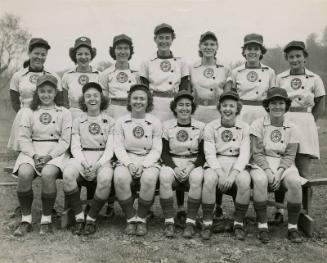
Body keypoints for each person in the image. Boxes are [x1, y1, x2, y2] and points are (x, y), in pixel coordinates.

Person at [139, 23, 190, 224]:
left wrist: (180, 108)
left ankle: (180, 208)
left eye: (167, 37)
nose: (164, 41)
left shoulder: (181, 61)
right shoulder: (147, 62)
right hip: (154, 108)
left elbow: (185, 89)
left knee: (177, 149)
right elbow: (142, 91)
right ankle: (149, 205)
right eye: (160, 37)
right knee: (153, 153)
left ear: (172, 39)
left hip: (174, 106)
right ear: (155, 39)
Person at [12, 74, 71, 236]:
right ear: (37, 92)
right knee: (24, 174)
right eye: (42, 91)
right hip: (32, 149)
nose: (46, 95)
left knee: (47, 174)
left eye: (50, 91)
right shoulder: (28, 111)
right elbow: (23, 138)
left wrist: (49, 157)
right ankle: (26, 220)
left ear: (55, 93)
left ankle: (46, 219)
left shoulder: (63, 112)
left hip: (55, 151)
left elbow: (65, 141)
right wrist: (34, 155)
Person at [274, 41, 326, 223]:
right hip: (285, 120)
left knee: (303, 170)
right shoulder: (280, 78)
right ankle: (279, 211)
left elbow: (320, 102)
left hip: (305, 122)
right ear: (286, 59)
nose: (295, 59)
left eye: (298, 56)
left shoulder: (314, 78)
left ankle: (304, 214)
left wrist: (311, 121)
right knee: (281, 166)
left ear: (305, 57)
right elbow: (275, 100)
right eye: (291, 57)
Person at [250, 87, 306, 243]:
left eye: (281, 103)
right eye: (273, 103)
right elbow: (257, 153)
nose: (277, 107)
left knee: (295, 182)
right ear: (267, 105)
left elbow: (290, 155)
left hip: (284, 164)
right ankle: (262, 226)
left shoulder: (293, 127)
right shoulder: (257, 124)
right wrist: (268, 171)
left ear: (286, 106)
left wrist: (279, 172)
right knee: (260, 181)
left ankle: (292, 227)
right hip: (262, 163)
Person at [62, 82, 115, 235]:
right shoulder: (78, 121)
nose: (92, 99)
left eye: (96, 95)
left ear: (101, 98)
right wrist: (85, 163)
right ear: (83, 100)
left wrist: (97, 165)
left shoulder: (110, 121)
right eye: (88, 96)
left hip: (102, 159)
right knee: (68, 174)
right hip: (82, 158)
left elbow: (110, 149)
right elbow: (75, 147)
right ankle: (79, 217)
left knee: (105, 179)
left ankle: (91, 218)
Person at [190, 31, 232, 220]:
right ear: (200, 47)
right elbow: (187, 93)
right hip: (198, 112)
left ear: (217, 47)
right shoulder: (193, 68)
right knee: (197, 155)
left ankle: (218, 205)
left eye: (212, 44)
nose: (208, 47)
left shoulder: (225, 68)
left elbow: (229, 96)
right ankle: (190, 206)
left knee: (217, 156)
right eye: (205, 44)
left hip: (217, 114)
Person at [201, 89, 251, 240]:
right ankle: (207, 222)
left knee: (244, 181)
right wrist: (221, 174)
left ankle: (238, 223)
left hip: (237, 161)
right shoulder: (210, 126)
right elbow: (209, 153)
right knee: (209, 180)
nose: (228, 109)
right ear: (219, 108)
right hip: (217, 161)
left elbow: (244, 154)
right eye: (224, 106)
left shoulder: (244, 127)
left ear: (237, 109)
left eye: (231, 106)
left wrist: (232, 175)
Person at [114, 84, 162, 236]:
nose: (138, 102)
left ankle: (141, 218)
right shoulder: (121, 121)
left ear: (148, 102)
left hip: (148, 158)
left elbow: (156, 149)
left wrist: (145, 164)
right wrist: (128, 163)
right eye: (135, 98)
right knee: (120, 177)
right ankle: (130, 218)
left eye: (142, 98)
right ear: (129, 101)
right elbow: (118, 147)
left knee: (148, 179)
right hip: (127, 157)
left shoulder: (154, 121)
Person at [159, 90, 205, 238]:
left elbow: (203, 154)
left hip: (193, 162)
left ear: (192, 108)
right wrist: (174, 167)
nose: (184, 108)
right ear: (174, 108)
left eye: (188, 105)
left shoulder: (201, 126)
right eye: (180, 105)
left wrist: (191, 166)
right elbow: (164, 152)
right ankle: (169, 222)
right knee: (165, 177)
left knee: (197, 179)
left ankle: (190, 222)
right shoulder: (167, 126)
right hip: (173, 161)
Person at [8, 38, 62, 151]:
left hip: (47, 116)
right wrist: (24, 114)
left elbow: (59, 100)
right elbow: (14, 101)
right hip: (25, 116)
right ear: (29, 53)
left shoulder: (54, 76)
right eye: (36, 53)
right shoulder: (18, 76)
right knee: (25, 152)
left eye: (43, 54)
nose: (39, 57)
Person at [229, 33, 275, 124]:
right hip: (241, 114)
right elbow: (232, 98)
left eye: (256, 49)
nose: (252, 52)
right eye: (249, 49)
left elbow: (272, 98)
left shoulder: (269, 72)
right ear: (244, 51)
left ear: (261, 52)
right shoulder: (236, 72)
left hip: (262, 113)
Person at [99, 34, 140, 119]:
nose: (122, 52)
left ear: (130, 51)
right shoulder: (105, 74)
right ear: (113, 50)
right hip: (112, 112)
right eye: (119, 48)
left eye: (126, 48)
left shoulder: (137, 74)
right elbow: (103, 100)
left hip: (132, 112)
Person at [62, 36, 100, 120]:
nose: (83, 57)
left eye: (87, 54)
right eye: (79, 54)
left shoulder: (99, 75)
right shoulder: (67, 76)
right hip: (73, 117)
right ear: (74, 56)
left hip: (94, 116)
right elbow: (65, 103)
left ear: (91, 55)